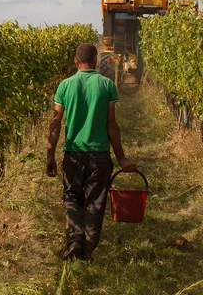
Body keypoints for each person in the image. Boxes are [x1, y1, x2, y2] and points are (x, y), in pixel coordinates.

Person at [46, 43, 136, 261]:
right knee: (95, 203)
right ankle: (86, 250)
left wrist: (50, 156)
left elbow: (55, 123)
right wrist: (121, 158)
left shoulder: (65, 86)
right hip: (99, 156)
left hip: (73, 154)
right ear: (96, 59)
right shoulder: (106, 85)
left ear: (76, 61)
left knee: (72, 198)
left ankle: (74, 240)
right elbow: (111, 125)